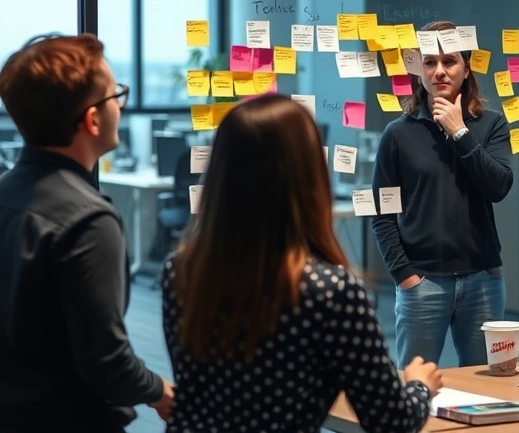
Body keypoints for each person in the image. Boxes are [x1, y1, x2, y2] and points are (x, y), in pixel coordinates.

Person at [162, 94, 441, 433]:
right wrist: (419, 385)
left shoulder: (180, 272)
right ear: (308, 176)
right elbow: (391, 421)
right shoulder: (331, 292)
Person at [0, 34, 173, 432]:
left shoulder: (5, 194)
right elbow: (105, 361)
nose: (121, 107)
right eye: (117, 96)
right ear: (93, 119)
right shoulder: (88, 221)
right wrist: (160, 391)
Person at [372, 20, 513, 368]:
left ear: (466, 69)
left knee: (488, 390)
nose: (439, 72)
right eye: (430, 62)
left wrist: (460, 132)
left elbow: (499, 187)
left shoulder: (491, 124)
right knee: (418, 390)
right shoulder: (398, 134)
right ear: (419, 70)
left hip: (483, 281)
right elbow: (382, 213)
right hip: (422, 283)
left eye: (449, 61)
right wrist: (405, 275)